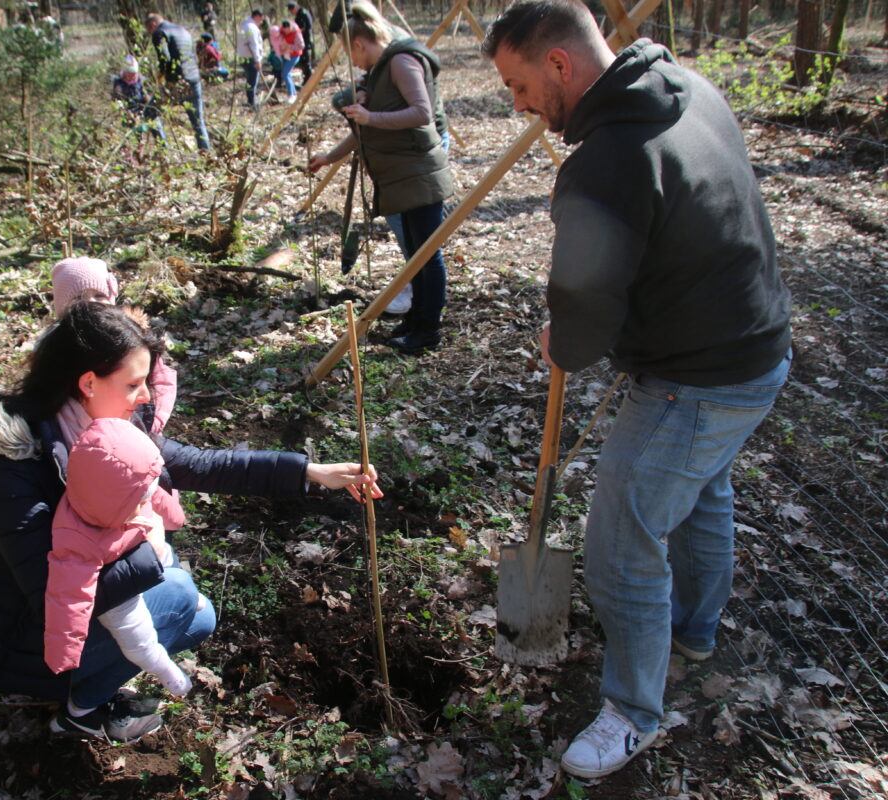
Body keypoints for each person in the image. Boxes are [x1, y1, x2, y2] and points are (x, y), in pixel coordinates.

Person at [483, 0, 792, 780]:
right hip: (759, 350)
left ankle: (632, 712)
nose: (517, 104)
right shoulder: (690, 88)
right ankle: (692, 631)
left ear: (560, 64)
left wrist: (566, 338)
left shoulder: (609, 160)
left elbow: (581, 317)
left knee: (622, 540)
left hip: (699, 380)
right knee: (703, 492)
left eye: (520, 85)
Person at [0, 302, 382, 742]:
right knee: (178, 593)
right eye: (133, 384)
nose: (145, 396)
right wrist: (152, 554)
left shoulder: (110, 425)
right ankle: (78, 712)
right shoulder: (15, 464)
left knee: (199, 618)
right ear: (88, 382)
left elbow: (198, 464)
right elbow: (49, 589)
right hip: (17, 642)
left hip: (72, 614)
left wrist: (309, 472)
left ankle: (89, 692)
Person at [308, 2, 453, 354]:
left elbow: (422, 112)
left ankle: (429, 330)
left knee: (426, 256)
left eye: (351, 54)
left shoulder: (402, 61)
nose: (354, 63)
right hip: (402, 175)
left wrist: (371, 117)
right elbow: (363, 129)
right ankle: (416, 319)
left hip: (419, 171)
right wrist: (329, 157)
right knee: (415, 255)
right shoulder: (378, 72)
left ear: (359, 44)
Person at [45, 416, 194, 729]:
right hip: (118, 601)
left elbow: (152, 494)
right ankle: (84, 709)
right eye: (138, 501)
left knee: (185, 594)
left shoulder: (115, 488)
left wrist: (171, 517)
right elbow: (68, 599)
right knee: (141, 643)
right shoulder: (77, 542)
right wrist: (65, 655)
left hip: (132, 565)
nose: (144, 505)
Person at [50, 255, 177, 435]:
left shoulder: (130, 338)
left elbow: (160, 381)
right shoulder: (55, 346)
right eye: (78, 297)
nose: (91, 303)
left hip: (131, 423)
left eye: (99, 295)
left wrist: (151, 422)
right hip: (76, 431)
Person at [145, 12, 210, 152]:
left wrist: (161, 74)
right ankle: (207, 156)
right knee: (198, 122)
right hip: (194, 79)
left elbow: (164, 57)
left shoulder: (159, 33)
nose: (150, 34)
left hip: (176, 82)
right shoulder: (183, 30)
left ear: (153, 25)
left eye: (149, 31)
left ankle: (163, 151)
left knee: (150, 112)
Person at [110, 56, 166, 144]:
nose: (132, 76)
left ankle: (162, 145)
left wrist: (147, 102)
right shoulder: (119, 84)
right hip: (129, 114)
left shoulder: (140, 81)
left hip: (142, 110)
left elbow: (145, 94)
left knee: (155, 122)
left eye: (133, 73)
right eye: (129, 73)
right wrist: (125, 111)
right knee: (132, 137)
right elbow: (117, 100)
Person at [269, 18, 304, 103]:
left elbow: (301, 46)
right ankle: (293, 94)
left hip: (294, 55)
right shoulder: (281, 31)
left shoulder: (296, 33)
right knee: (286, 74)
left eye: (288, 30)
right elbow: (275, 35)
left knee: (285, 74)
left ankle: (291, 95)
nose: (286, 31)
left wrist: (290, 46)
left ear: (291, 27)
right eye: (284, 30)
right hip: (285, 55)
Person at [237, 8, 265, 109]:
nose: (261, 22)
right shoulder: (251, 28)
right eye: (261, 19)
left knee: (250, 80)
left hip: (244, 57)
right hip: (250, 58)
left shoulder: (244, 25)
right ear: (256, 17)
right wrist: (258, 60)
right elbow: (254, 45)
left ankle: (250, 100)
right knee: (252, 81)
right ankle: (252, 103)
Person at [287, 2, 314, 84]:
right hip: (300, 41)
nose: (291, 12)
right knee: (302, 61)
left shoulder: (303, 13)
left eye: (291, 10)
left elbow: (306, 27)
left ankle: (309, 80)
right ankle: (306, 78)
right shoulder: (299, 15)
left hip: (306, 40)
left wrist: (297, 32)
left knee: (306, 61)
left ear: (295, 8)